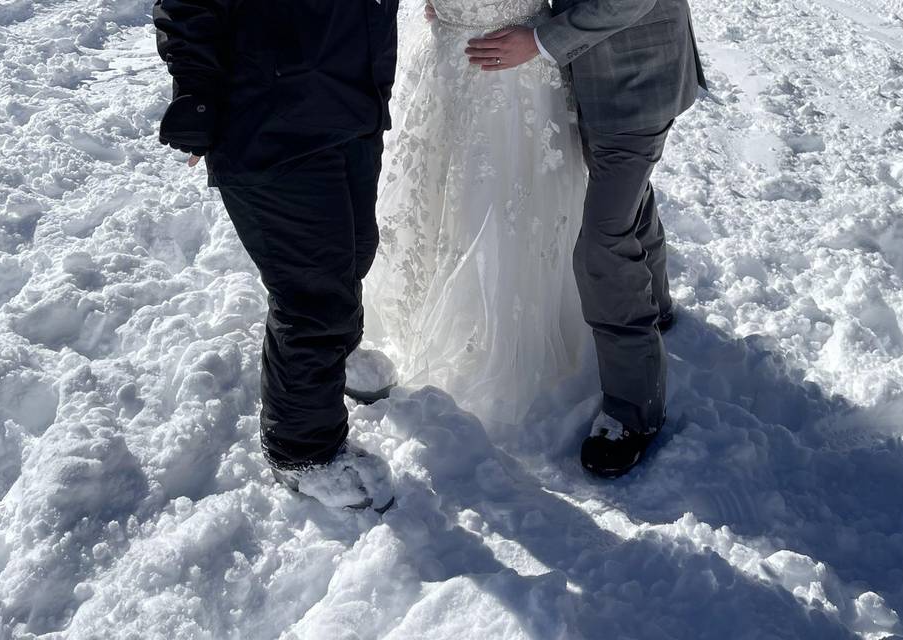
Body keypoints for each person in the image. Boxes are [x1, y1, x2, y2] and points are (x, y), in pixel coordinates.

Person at [373, 0, 706, 478]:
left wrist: (540, 41)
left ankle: (635, 410)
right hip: (560, 76)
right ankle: (655, 300)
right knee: (624, 198)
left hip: (632, 77)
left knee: (603, 242)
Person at [152, 0, 400, 511]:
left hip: (351, 98)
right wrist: (197, 95)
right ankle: (302, 450)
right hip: (268, 120)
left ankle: (333, 358)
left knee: (353, 251)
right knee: (313, 293)